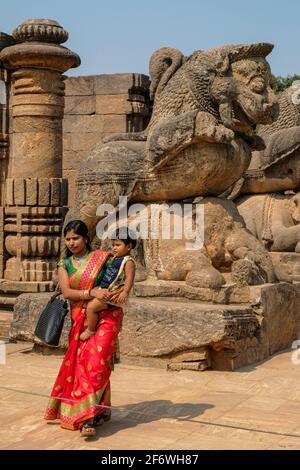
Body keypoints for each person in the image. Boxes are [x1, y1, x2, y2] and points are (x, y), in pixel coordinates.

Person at [44, 220, 129, 437]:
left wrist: (119, 293)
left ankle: (93, 412)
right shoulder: (64, 265)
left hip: (108, 314)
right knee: (85, 364)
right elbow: (67, 292)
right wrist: (92, 293)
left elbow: (122, 276)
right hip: (80, 318)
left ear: (85, 239)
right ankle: (88, 416)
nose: (72, 243)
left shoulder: (103, 258)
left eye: (76, 238)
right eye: (68, 239)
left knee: (97, 361)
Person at [79, 229, 136, 342]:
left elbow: (130, 278)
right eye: (113, 245)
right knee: (86, 304)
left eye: (118, 245)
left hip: (112, 293)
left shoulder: (128, 261)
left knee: (91, 308)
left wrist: (125, 292)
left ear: (129, 246)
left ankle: (90, 330)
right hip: (104, 289)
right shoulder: (116, 258)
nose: (114, 248)